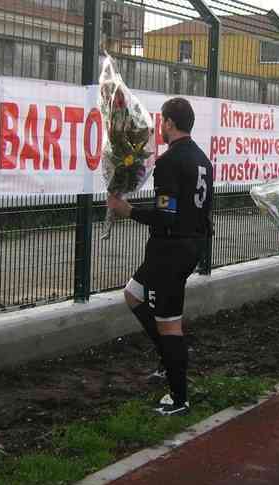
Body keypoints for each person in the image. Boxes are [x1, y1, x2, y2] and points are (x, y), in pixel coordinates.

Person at [107, 97, 213, 416]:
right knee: (133, 295)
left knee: (169, 324)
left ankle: (179, 398)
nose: (158, 127)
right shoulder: (201, 159)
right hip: (190, 244)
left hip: (172, 249)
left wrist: (130, 211)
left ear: (168, 123)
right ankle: (169, 359)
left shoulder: (169, 162)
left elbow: (167, 215)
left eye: (161, 122)